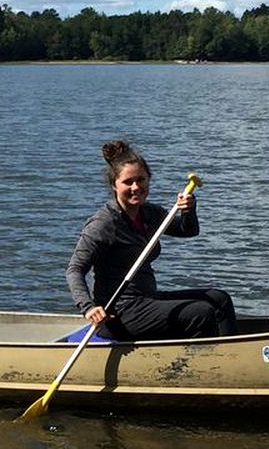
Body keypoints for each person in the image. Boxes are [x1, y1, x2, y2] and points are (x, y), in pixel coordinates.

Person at [66, 139, 236, 341]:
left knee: (219, 299)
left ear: (149, 179)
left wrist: (189, 210)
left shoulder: (150, 213)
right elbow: (74, 270)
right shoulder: (103, 225)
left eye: (141, 180)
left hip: (147, 300)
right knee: (203, 312)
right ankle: (202, 362)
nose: (136, 187)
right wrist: (89, 307)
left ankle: (231, 353)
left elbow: (187, 231)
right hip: (119, 313)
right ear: (114, 185)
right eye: (128, 182)